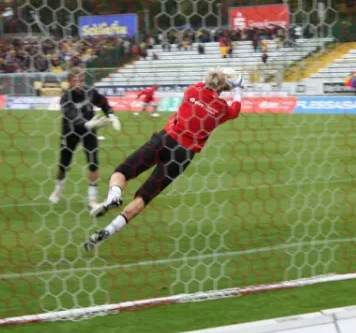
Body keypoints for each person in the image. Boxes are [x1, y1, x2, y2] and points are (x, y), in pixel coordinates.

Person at [83, 68, 244, 251]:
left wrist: (219, 73)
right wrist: (238, 87)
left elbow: (205, 84)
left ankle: (114, 196)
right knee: (145, 196)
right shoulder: (221, 108)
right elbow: (236, 109)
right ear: (222, 88)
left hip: (165, 139)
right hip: (183, 155)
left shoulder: (191, 91)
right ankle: (108, 231)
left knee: (122, 171)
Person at [49, 67, 121, 207]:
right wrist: (87, 124)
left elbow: (103, 102)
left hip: (89, 131)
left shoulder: (89, 92)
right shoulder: (65, 98)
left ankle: (92, 199)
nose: (79, 84)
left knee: (93, 164)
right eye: (75, 81)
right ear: (69, 81)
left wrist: (111, 114)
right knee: (64, 164)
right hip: (70, 132)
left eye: (81, 80)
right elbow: (71, 117)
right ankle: (59, 188)